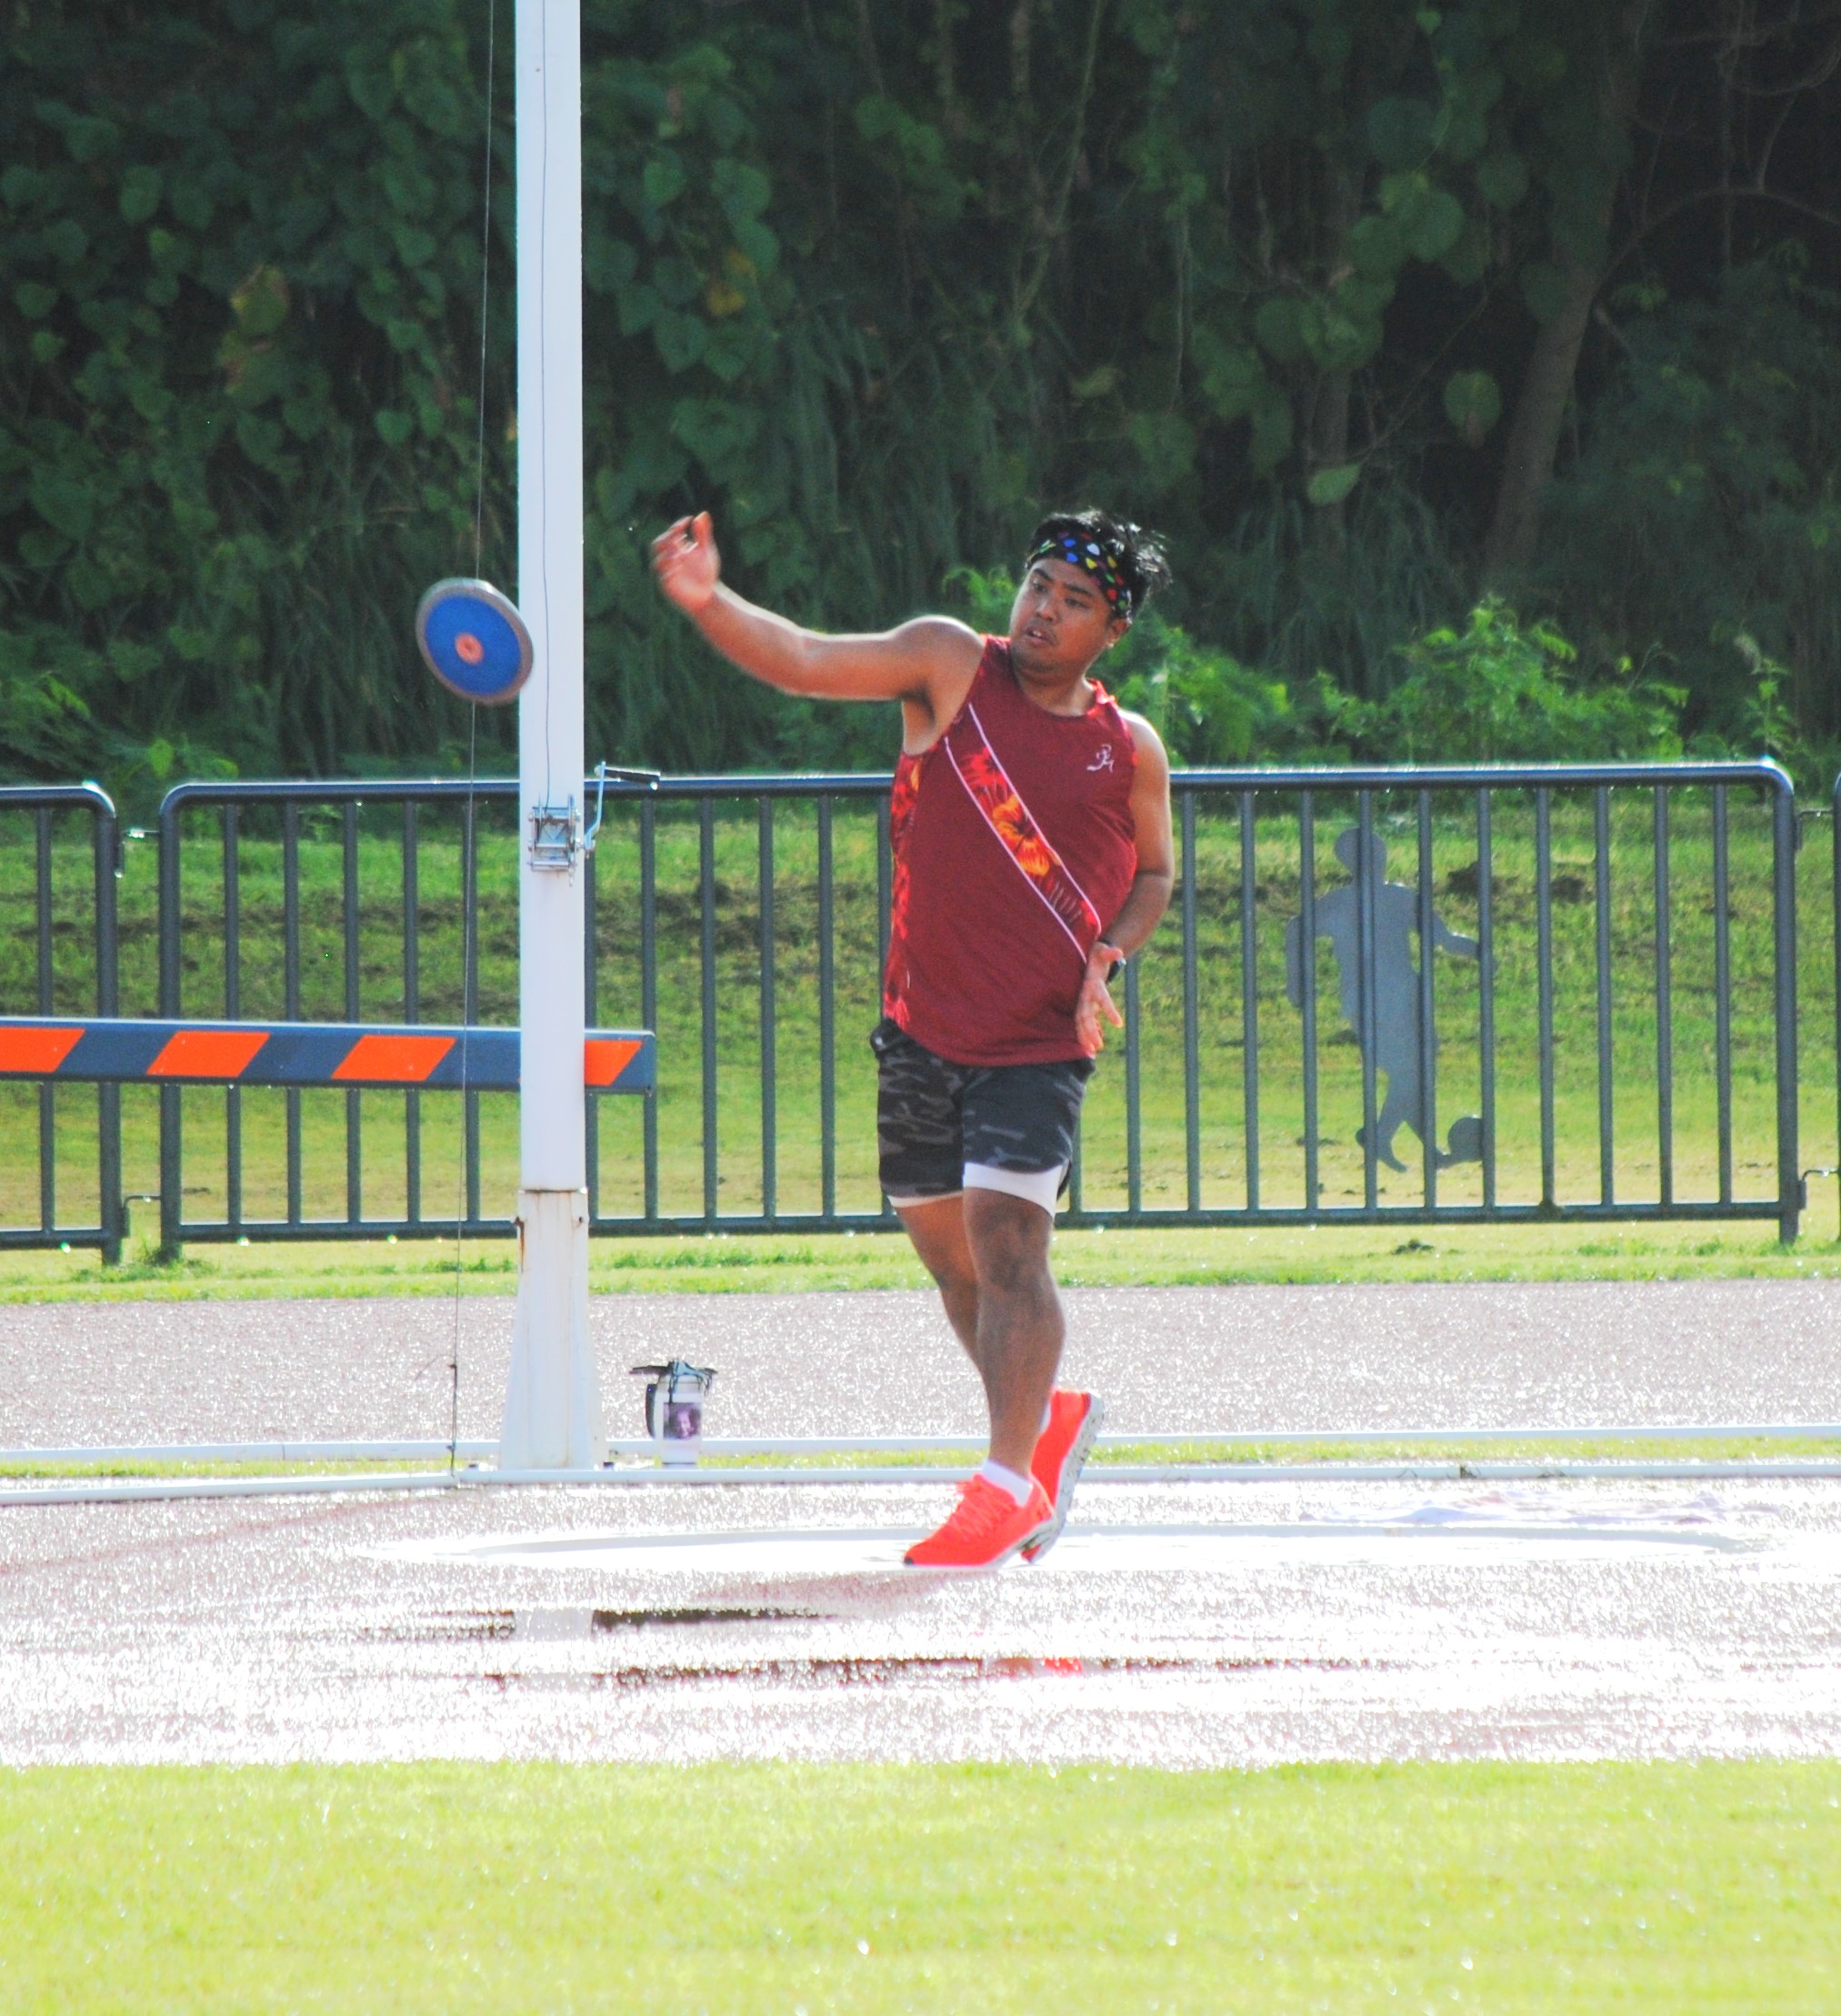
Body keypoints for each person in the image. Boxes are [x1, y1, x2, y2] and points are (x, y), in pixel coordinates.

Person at [652, 507, 1175, 1567]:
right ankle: (1044, 1422)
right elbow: (802, 660)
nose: (1044, 611)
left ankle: (1003, 1482)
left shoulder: (1128, 747)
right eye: (1038, 586)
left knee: (1011, 1245)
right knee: (955, 1267)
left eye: (1075, 603)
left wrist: (1107, 955)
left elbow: (1156, 873)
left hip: (1037, 1043)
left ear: (1112, 631)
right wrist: (711, 600)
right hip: (922, 1033)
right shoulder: (948, 666)